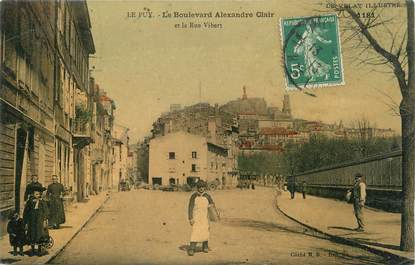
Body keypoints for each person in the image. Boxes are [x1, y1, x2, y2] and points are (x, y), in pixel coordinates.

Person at [187, 180, 215, 256]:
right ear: (197, 188)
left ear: (205, 188)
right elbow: (190, 207)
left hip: (205, 217)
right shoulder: (193, 196)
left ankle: (205, 246)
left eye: (203, 187)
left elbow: (212, 205)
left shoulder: (207, 196)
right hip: (196, 217)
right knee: (195, 231)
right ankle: (192, 248)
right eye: (199, 187)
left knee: (205, 231)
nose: (201, 189)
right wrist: (190, 218)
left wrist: (211, 210)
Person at [23, 186, 49, 256]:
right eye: (36, 194)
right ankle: (32, 249)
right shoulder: (30, 202)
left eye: (38, 194)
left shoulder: (42, 202)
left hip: (39, 221)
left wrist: (45, 220)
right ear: (33, 194)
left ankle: (39, 249)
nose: (37, 195)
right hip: (32, 221)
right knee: (32, 235)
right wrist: (25, 222)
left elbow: (46, 211)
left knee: (40, 234)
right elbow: (26, 212)